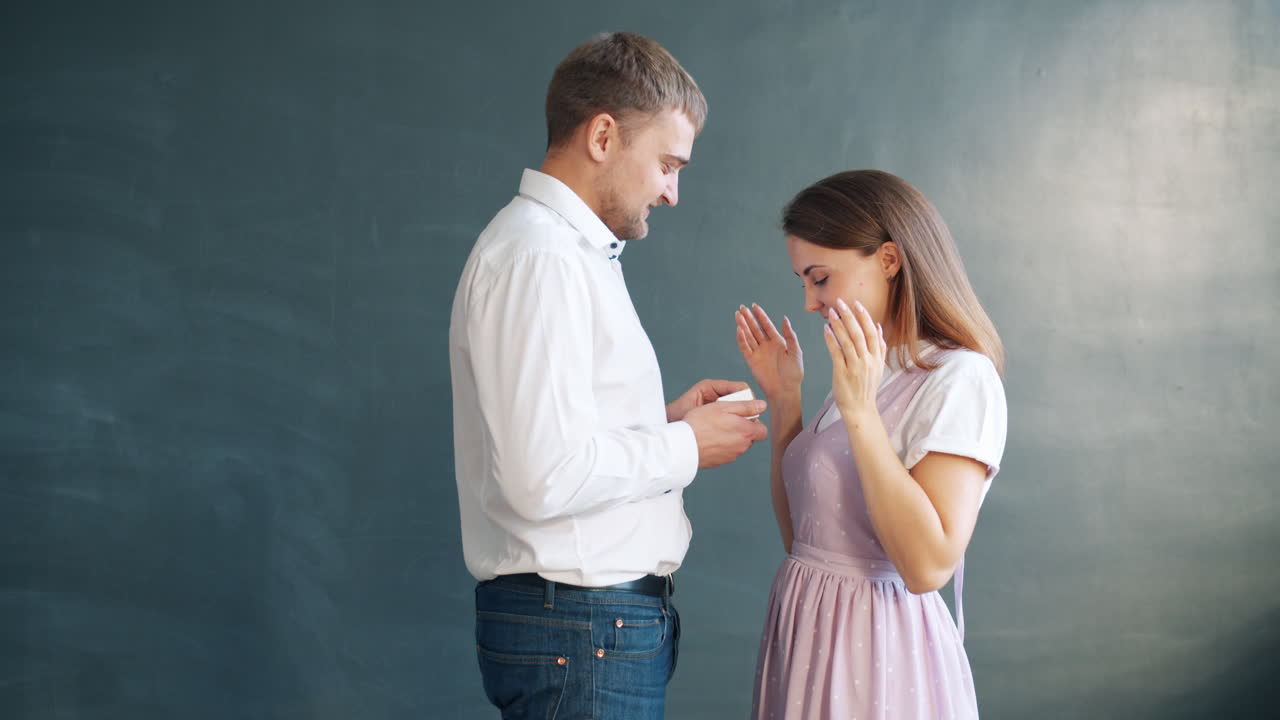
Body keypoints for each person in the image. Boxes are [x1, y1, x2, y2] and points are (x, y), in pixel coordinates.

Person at [449, 32, 768, 719]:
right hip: (582, 628)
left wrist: (668, 425)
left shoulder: (567, 254)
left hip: (586, 628)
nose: (673, 192)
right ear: (602, 136)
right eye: (667, 163)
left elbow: (559, 447)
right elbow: (542, 477)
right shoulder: (543, 259)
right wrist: (685, 448)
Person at [735, 170, 1007, 719]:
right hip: (808, 631)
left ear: (888, 259)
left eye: (820, 278)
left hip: (879, 651)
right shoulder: (866, 368)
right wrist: (787, 398)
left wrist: (859, 410)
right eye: (803, 283)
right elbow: (807, 539)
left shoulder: (959, 378)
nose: (811, 303)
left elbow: (927, 567)